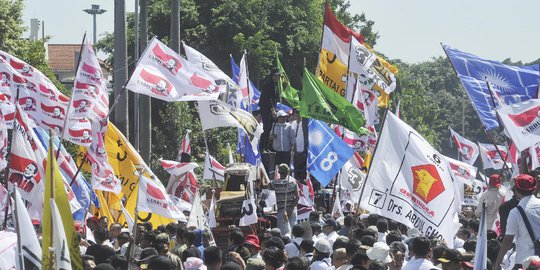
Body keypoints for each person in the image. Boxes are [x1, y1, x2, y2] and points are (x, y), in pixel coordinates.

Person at [495, 174, 540, 270]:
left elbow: (508, 239)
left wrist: (498, 262)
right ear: (534, 189)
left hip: (526, 262)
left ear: (515, 190)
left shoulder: (515, 213)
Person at [269, 164, 299, 236]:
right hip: (292, 210)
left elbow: (266, 185)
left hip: (282, 212)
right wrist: (291, 209)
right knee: (292, 233)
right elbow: (297, 197)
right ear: (287, 172)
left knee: (283, 234)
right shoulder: (293, 182)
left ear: (279, 172)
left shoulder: (275, 183)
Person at [259, 68, 281, 152]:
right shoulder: (268, 84)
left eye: (279, 75)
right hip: (266, 108)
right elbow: (268, 98)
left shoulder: (276, 85)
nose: (278, 77)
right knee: (266, 128)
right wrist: (272, 109)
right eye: (276, 75)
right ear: (272, 76)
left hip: (271, 108)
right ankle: (262, 147)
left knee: (269, 128)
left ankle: (266, 147)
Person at [290, 110, 308, 180]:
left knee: (302, 170)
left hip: (303, 150)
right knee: (296, 168)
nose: (298, 117)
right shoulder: (293, 124)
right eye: (296, 115)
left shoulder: (304, 125)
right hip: (295, 150)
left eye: (299, 115)